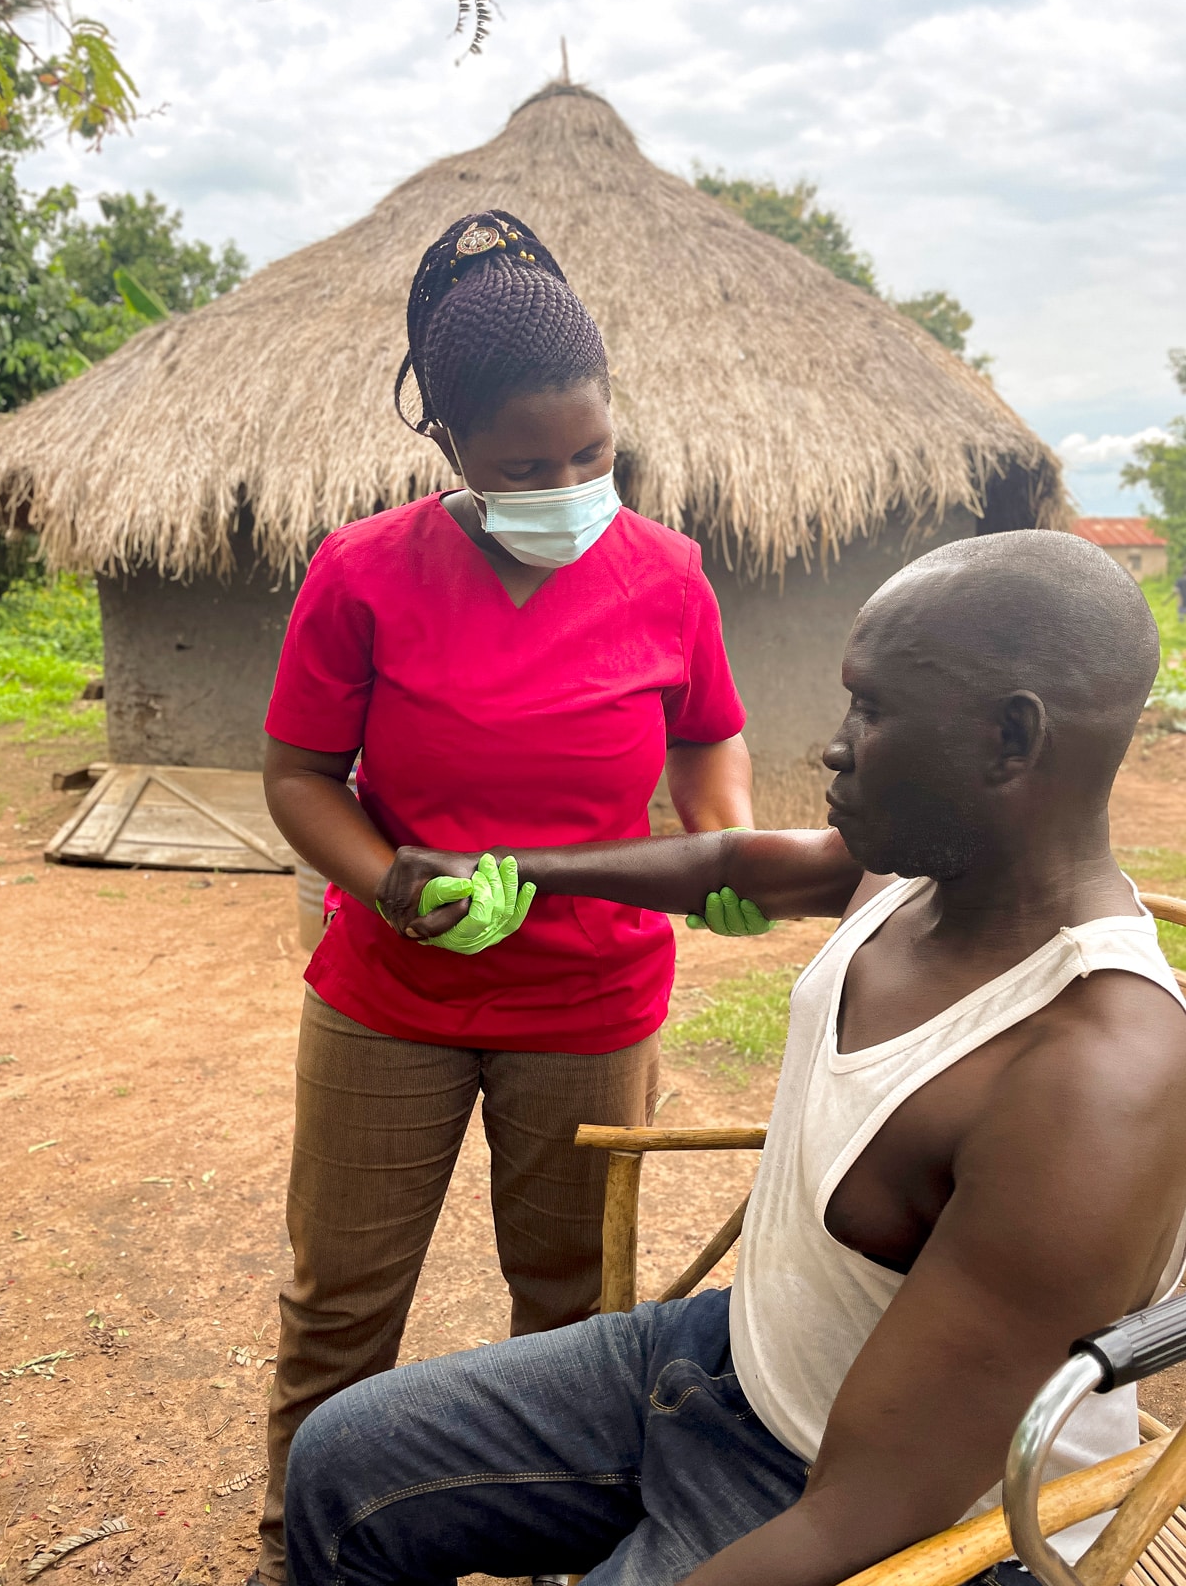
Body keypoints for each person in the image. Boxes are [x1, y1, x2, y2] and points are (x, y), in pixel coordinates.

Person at [286, 529, 1186, 1586]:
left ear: (1009, 741)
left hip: (893, 1515)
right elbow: (731, 859)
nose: (834, 747)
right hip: (738, 1367)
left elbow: (862, 1511)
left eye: (873, 710)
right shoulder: (922, 871)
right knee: (340, 1465)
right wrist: (500, 865)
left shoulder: (1091, 1083)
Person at [255, 210, 763, 1585]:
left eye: (591, 455)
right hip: (391, 996)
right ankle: (303, 1540)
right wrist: (386, 883)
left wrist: (725, 838)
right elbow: (300, 773)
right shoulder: (361, 572)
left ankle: (539, 1543)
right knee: (343, 1297)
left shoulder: (668, 574)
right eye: (524, 466)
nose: (567, 485)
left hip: (591, 997)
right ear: (452, 454)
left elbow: (709, 731)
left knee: (568, 1303)